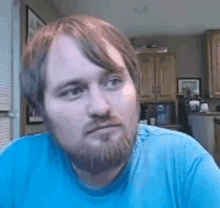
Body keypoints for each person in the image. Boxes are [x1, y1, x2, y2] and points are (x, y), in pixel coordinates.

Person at [1, 13, 220, 208]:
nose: (100, 107)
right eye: (73, 91)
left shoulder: (183, 163)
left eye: (113, 81)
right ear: (40, 109)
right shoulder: (14, 166)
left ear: (135, 87)